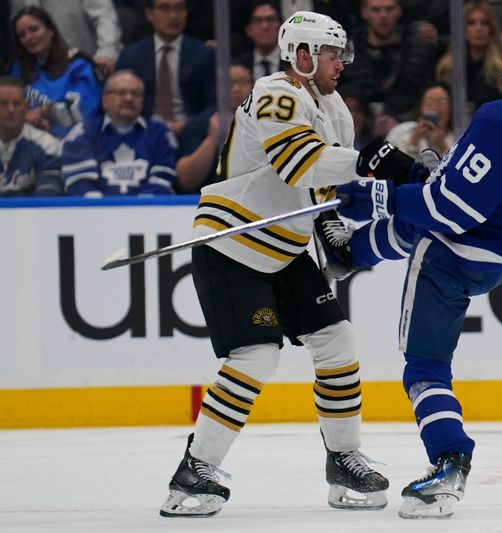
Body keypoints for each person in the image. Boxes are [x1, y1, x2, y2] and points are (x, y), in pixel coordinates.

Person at [334, 33, 502, 519]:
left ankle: (450, 461)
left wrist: (374, 196)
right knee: (416, 218)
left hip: (456, 251)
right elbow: (490, 183)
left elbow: (450, 211)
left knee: (424, 367)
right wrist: (426, 174)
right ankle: (352, 253)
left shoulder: (501, 117)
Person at [158, 11, 389, 518]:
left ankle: (343, 458)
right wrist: (374, 161)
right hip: (232, 243)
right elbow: (298, 163)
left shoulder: (336, 110)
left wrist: (335, 232)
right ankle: (195, 469)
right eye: (331, 55)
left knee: (337, 340)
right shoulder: (274, 91)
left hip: (285, 248)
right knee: (256, 354)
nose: (339, 65)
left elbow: (324, 189)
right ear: (302, 56)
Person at [60, 70, 178, 196]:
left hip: (148, 212)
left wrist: (140, 209)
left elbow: (162, 181)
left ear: (142, 102)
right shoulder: (84, 132)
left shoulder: (160, 133)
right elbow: (79, 182)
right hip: (95, 212)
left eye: (135, 94)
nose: (128, 98)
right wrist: (103, 210)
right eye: (121, 93)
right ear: (105, 100)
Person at [115, 0, 216, 140]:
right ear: (149, 14)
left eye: (179, 9)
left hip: (192, 133)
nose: (174, 15)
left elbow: (214, 104)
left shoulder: (203, 55)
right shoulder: (131, 56)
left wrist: (188, 126)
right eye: (164, 8)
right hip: (143, 134)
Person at [338, 0, 438, 136]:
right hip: (357, 133)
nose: (383, 16)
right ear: (364, 12)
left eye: (389, 9)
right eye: (376, 10)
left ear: (399, 10)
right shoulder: (347, 51)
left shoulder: (419, 47)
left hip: (411, 130)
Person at [9, 6, 103, 138]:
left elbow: (87, 110)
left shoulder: (79, 65)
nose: (29, 37)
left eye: (34, 29)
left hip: (78, 143)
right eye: (22, 35)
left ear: (50, 30)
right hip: (31, 144)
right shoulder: (19, 68)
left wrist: (44, 112)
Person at [174, 62, 254, 193]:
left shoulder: (267, 122)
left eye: (243, 82)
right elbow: (185, 179)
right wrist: (211, 139)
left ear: (253, 85)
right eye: (229, 83)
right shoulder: (200, 123)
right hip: (208, 201)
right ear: (217, 88)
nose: (236, 89)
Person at [10, 0, 123, 78]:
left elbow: (104, 18)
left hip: (93, 61)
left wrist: (106, 53)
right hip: (45, 70)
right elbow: (20, 26)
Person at [434, 0, 502, 111]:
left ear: (491, 29)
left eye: (485, 23)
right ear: (462, 29)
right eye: (471, 23)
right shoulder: (447, 69)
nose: (479, 29)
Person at [0, 75, 62, 196]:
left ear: (26, 107)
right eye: (3, 103)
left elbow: (48, 197)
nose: (11, 109)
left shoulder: (47, 145)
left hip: (32, 214)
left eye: (17, 103)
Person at [385, 83, 455, 161]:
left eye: (442, 103)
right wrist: (412, 141)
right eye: (429, 103)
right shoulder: (401, 131)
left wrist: (443, 148)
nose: (435, 108)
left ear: (451, 108)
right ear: (420, 107)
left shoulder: (457, 138)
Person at [237, 1, 283, 80]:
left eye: (270, 19)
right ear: (248, 30)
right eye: (257, 20)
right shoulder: (239, 65)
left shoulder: (293, 64)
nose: (264, 26)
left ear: (281, 27)